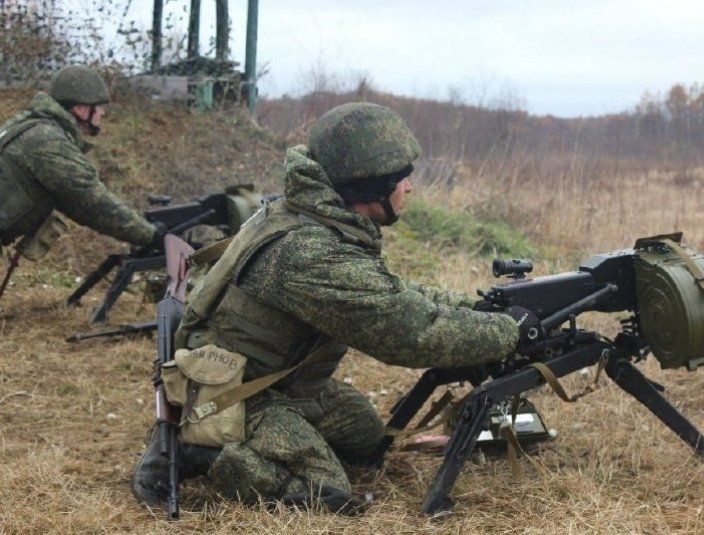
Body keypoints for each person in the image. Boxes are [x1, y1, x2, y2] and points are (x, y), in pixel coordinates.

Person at [132, 102, 539, 514]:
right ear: (370, 186)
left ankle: (239, 438)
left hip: (279, 380)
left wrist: (484, 307)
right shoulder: (310, 253)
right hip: (236, 391)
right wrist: (512, 330)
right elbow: (411, 333)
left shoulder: (317, 217)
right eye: (402, 179)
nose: (410, 188)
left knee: (366, 439)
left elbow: (393, 293)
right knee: (323, 489)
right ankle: (197, 452)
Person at [0, 65, 160, 258]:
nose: (103, 113)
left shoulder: (27, 126)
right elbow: (90, 202)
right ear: (80, 109)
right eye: (98, 106)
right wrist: (150, 235)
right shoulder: (47, 140)